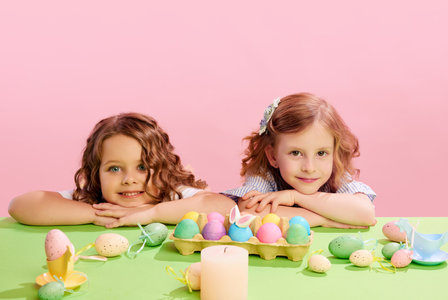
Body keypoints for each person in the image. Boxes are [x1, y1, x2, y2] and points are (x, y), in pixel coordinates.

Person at [8, 113, 235, 227]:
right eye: (114, 168)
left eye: (143, 167)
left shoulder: (172, 194)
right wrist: (102, 215)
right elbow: (21, 205)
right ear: (96, 173)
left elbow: (225, 206)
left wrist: (149, 214)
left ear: (163, 167)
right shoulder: (92, 199)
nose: (129, 179)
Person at [224, 93, 376, 228]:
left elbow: (366, 213)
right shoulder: (265, 175)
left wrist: (296, 197)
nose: (309, 168)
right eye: (296, 153)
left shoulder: (336, 175)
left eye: (321, 153)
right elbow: (248, 211)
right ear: (273, 156)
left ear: (334, 153)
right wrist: (323, 219)